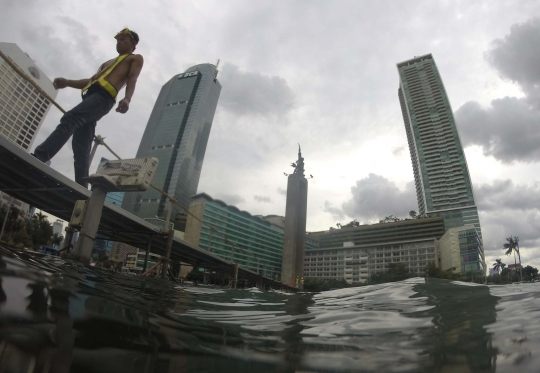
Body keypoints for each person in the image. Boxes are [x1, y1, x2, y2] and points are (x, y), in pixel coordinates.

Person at [33, 28, 144, 188]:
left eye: (123, 39)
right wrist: (68, 82)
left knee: (71, 118)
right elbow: (90, 81)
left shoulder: (135, 58)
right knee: (81, 142)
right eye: (117, 40)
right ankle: (81, 186)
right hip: (92, 96)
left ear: (133, 43)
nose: (119, 42)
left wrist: (127, 98)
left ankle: (40, 156)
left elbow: (133, 78)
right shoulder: (107, 63)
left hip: (103, 98)